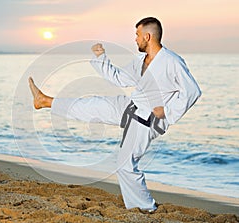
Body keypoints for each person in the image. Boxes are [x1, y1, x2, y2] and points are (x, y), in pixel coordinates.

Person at [28, 17, 201, 213]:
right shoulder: (141, 61)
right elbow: (119, 78)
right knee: (93, 105)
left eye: (137, 35)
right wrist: (101, 57)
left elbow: (192, 91)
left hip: (146, 120)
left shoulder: (172, 61)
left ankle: (146, 209)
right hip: (131, 106)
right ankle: (44, 101)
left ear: (148, 36)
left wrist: (167, 113)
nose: (135, 39)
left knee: (125, 164)